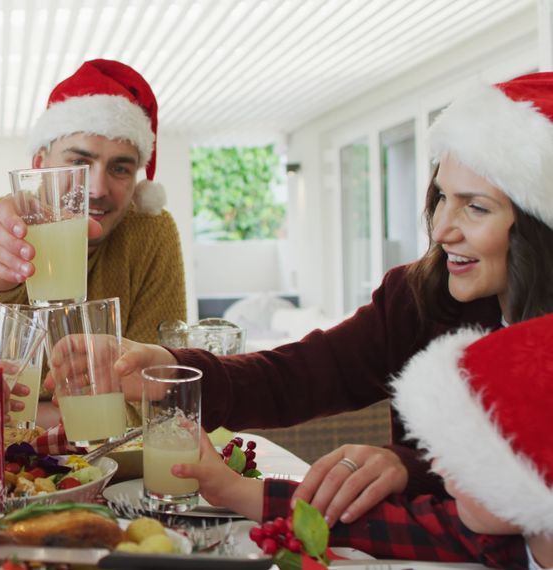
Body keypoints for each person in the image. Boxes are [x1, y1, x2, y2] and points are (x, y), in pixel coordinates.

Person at [56, 72, 553, 526]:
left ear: (538, 225)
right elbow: (293, 376)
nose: (442, 229)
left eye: (477, 208)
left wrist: (410, 467)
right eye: (441, 196)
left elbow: (513, 512)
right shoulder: (416, 297)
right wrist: (163, 367)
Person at [171, 312, 553, 569]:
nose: (434, 464)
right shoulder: (498, 535)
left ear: (526, 477)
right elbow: (375, 523)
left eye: (468, 454)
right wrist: (233, 489)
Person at [0, 59, 186, 345]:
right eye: (79, 162)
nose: (97, 189)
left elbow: (154, 368)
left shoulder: (150, 232)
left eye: (119, 169)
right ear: (40, 164)